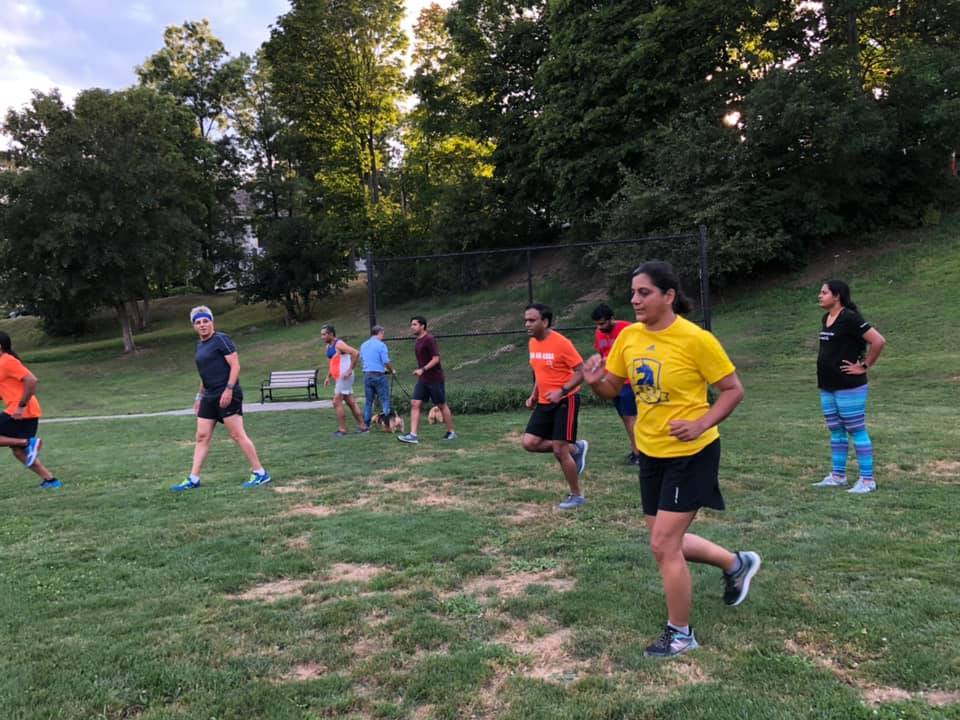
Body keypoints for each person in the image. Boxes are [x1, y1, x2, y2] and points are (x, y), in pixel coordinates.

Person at [582, 261, 760, 658]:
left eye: (644, 292)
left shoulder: (696, 339)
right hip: (651, 452)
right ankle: (735, 564)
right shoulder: (629, 337)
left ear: (668, 296)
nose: (635, 300)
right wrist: (596, 383)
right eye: (633, 293)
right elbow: (614, 386)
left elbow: (733, 389)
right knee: (665, 541)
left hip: (692, 453)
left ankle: (680, 635)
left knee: (664, 544)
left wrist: (701, 423)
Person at [171, 306, 271, 491]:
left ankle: (260, 473)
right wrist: (199, 396)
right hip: (208, 396)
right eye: (198, 322)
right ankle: (193, 478)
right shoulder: (200, 345)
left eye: (205, 321)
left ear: (212, 322)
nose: (202, 325)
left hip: (227, 394)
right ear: (194, 326)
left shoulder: (221, 339)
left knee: (237, 435)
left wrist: (229, 389)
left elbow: (235, 365)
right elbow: (204, 374)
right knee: (201, 436)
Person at [814, 280, 886, 494]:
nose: (820, 296)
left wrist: (864, 366)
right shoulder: (826, 318)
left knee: (856, 429)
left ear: (837, 296)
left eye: (824, 292)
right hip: (828, 385)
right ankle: (838, 476)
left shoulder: (850, 318)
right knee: (836, 430)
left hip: (849, 386)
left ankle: (867, 480)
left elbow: (878, 341)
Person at [522, 303, 589, 510]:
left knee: (560, 450)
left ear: (545, 322)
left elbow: (582, 371)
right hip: (545, 401)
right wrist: (534, 394)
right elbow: (540, 372)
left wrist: (562, 390)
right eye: (526, 320)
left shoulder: (562, 343)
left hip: (565, 400)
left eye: (532, 320)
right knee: (529, 443)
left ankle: (577, 496)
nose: (527, 324)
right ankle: (576, 448)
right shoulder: (532, 343)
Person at [0, 331, 61, 489]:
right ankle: (51, 481)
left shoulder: (7, 361)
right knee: (19, 451)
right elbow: (9, 389)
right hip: (25, 410)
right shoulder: (2, 363)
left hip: (21, 411)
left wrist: (21, 406)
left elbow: (32, 380)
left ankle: (28, 442)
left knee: (21, 446)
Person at [592, 303, 640, 464]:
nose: (600, 327)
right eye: (597, 324)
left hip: (627, 380)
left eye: (603, 323)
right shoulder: (598, 333)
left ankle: (640, 454)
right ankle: (636, 450)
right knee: (625, 418)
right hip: (611, 381)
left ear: (612, 318)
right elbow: (602, 354)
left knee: (631, 418)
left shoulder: (628, 329)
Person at [397, 316, 456, 444]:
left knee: (441, 405)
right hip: (423, 380)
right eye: (411, 324)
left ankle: (451, 432)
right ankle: (413, 435)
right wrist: (421, 372)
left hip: (435, 379)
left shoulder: (429, 339)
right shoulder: (418, 340)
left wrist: (423, 369)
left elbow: (436, 359)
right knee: (415, 403)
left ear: (422, 326)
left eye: (414, 324)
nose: (412, 327)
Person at [321, 324, 368, 436]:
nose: (322, 337)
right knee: (350, 401)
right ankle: (363, 427)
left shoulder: (339, 344)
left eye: (324, 334)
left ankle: (343, 430)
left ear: (331, 334)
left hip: (345, 376)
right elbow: (333, 362)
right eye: (321, 335)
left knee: (336, 401)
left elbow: (356, 353)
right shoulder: (328, 346)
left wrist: (350, 369)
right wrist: (328, 376)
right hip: (339, 376)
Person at [359, 324, 396, 429]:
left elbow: (363, 360)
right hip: (379, 376)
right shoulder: (381, 345)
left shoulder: (363, 345)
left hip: (367, 375)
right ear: (379, 333)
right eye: (383, 334)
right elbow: (386, 361)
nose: (383, 336)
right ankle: (388, 424)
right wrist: (392, 370)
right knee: (385, 399)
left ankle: (366, 425)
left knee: (368, 401)